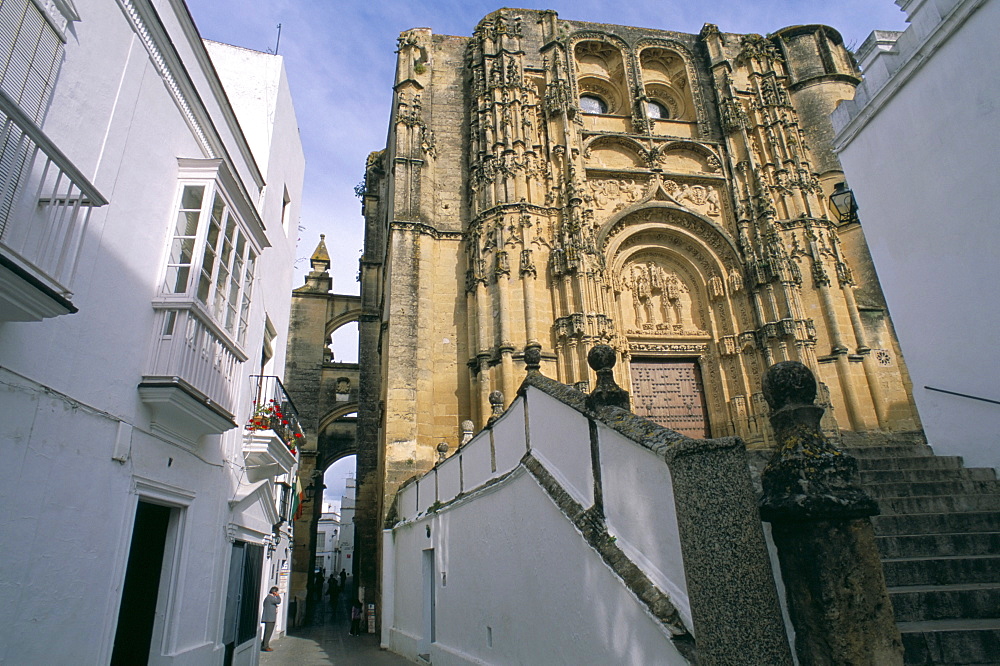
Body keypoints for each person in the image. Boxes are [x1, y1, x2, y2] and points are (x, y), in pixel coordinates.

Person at [261, 586, 281, 652]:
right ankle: (265, 646)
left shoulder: (267, 598)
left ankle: (264, 644)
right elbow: (278, 601)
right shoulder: (271, 598)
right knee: (268, 633)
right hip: (270, 618)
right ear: (274, 592)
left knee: (267, 632)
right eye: (277, 592)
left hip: (268, 617)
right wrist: (278, 596)